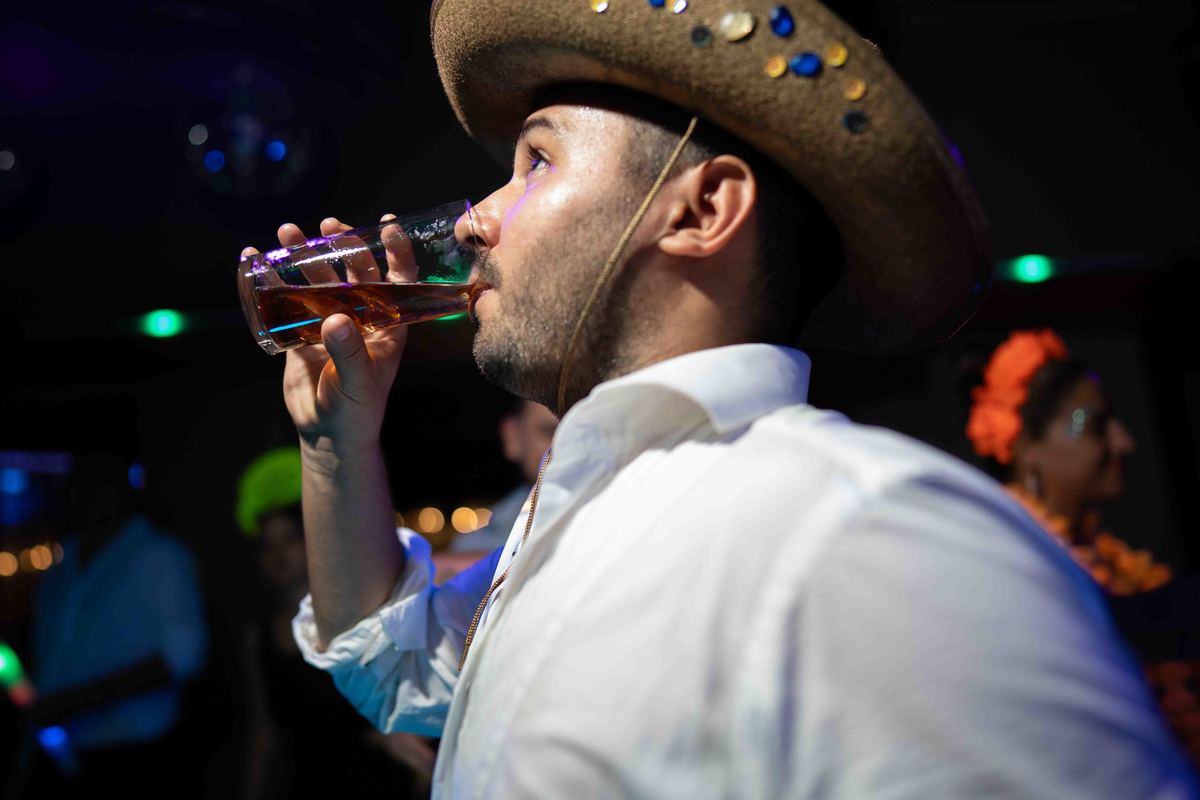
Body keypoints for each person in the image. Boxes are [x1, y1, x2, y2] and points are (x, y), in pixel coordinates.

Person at [244, 1, 1196, 795]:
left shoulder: (861, 531)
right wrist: (336, 444)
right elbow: (395, 669)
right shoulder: (573, 512)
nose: (477, 220)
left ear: (701, 210)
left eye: (536, 162)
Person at [968, 328, 1200, 762]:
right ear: (1025, 447)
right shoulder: (1012, 561)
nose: (1124, 442)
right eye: (1092, 424)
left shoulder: (1105, 556)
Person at [236, 447, 433, 799]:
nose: (279, 554)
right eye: (268, 545)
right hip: (307, 784)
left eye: (289, 539)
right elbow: (263, 729)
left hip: (373, 780)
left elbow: (399, 693)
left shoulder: (353, 612)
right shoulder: (259, 637)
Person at [25, 451, 207, 794]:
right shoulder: (60, 566)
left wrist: (77, 701)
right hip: (61, 752)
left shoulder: (158, 555)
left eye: (98, 482)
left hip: (136, 754)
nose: (87, 494)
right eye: (79, 483)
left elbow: (183, 657)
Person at [447, 400, 558, 555]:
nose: (570, 446)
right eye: (551, 432)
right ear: (513, 437)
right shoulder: (473, 549)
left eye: (585, 431)